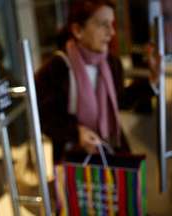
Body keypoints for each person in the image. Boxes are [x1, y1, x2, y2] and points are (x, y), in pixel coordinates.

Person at [35, 0, 160, 163]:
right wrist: (76, 132)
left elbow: (118, 99)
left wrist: (153, 79)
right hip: (74, 159)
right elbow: (45, 118)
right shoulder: (55, 68)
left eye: (112, 24)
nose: (112, 32)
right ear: (78, 30)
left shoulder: (112, 63)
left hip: (110, 151)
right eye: (103, 25)